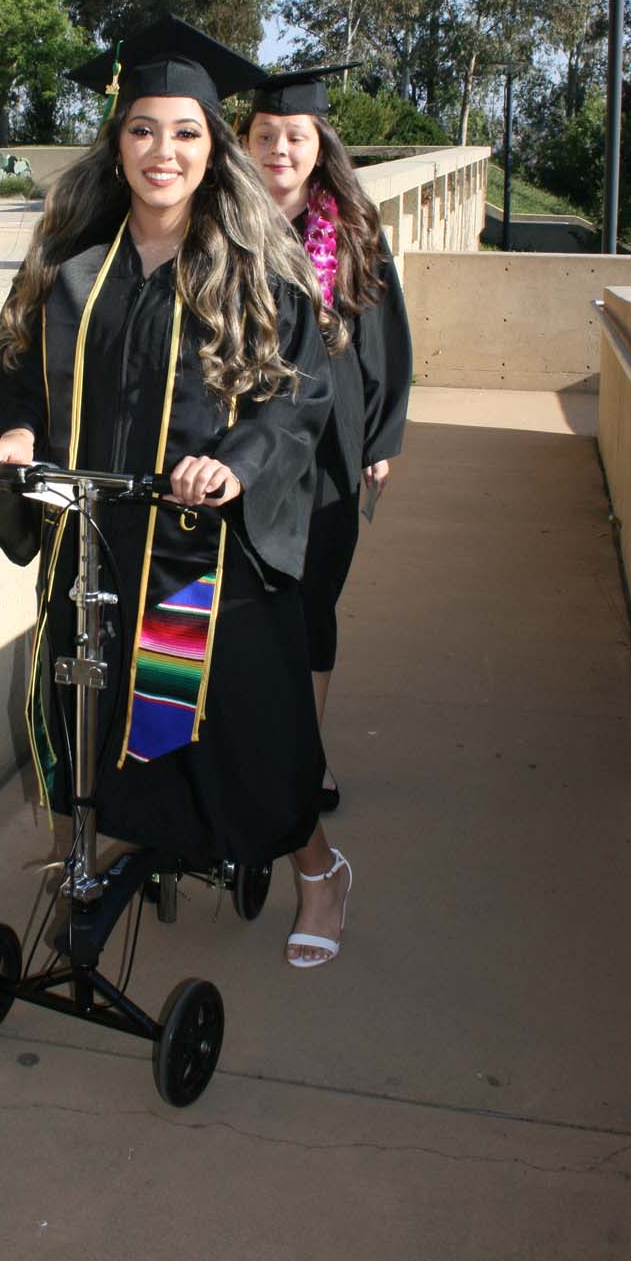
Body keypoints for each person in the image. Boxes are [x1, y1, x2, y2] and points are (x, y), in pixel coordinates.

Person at [0, 18, 354, 968]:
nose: (163, 151)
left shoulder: (254, 270)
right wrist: (14, 430)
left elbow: (298, 396)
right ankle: (144, 842)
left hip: (204, 557)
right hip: (100, 541)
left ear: (213, 146)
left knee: (245, 737)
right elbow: (12, 369)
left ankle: (319, 868)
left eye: (186, 132)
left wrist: (238, 461)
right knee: (111, 715)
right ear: (117, 142)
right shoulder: (69, 267)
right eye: (143, 129)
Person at [243, 67, 413, 813]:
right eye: (265, 135)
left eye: (295, 136)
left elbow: (385, 338)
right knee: (237, 599)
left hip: (332, 441)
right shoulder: (219, 222)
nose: (279, 149)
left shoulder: (351, 230)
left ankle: (304, 759)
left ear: (320, 146)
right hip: (239, 434)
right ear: (244, 142)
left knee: (312, 600)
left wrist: (381, 437)